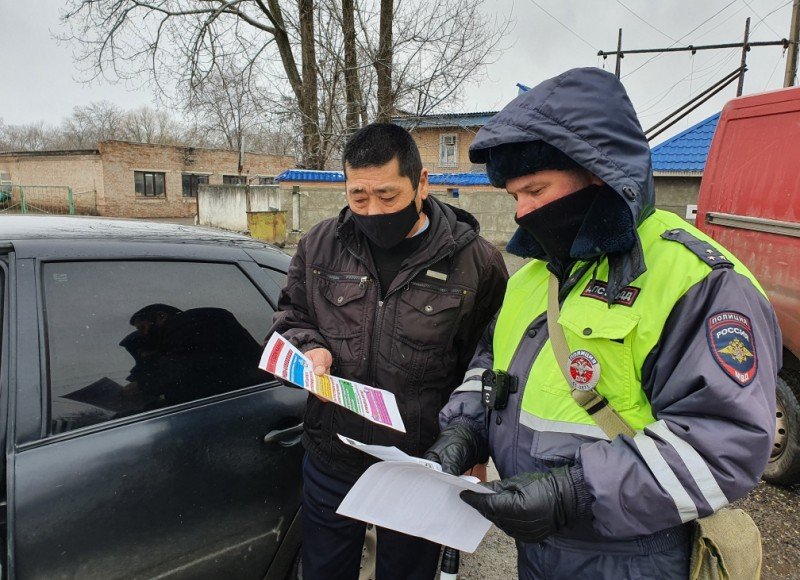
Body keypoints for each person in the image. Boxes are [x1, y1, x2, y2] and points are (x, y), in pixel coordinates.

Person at [424, 67, 781, 579]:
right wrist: (462, 430)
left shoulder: (698, 280)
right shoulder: (536, 276)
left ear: (599, 173)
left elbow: (723, 444)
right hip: (541, 546)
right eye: (513, 197)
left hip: (635, 555)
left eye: (536, 190)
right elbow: (490, 366)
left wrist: (573, 492)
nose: (523, 214)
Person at [269, 123, 508, 580]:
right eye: (359, 197)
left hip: (419, 463)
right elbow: (291, 318)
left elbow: (490, 362)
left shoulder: (476, 262)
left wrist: (475, 448)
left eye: (387, 196)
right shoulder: (319, 246)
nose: (373, 210)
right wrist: (310, 349)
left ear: (421, 183)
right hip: (331, 453)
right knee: (322, 571)